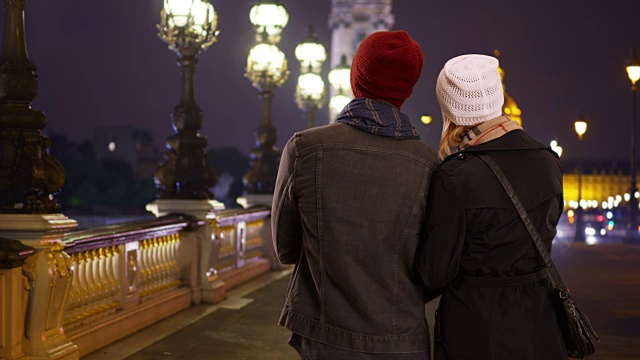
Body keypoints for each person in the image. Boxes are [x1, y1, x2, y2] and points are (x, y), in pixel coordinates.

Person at [272, 30, 438, 359]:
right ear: (408, 87)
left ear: (356, 77)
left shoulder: (305, 148)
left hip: (324, 338)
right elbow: (433, 268)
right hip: (401, 339)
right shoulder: (431, 166)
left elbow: (286, 249)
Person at [416, 54, 566, 359]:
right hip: (540, 328)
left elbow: (433, 274)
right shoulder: (548, 162)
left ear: (451, 112)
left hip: (476, 330)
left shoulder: (455, 176)